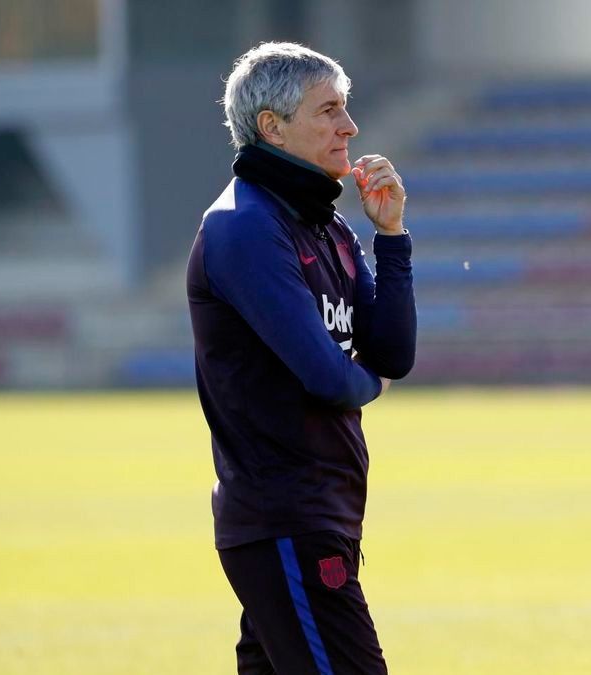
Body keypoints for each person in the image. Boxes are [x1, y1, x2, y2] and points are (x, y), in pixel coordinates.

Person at [186, 42, 416, 674]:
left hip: (320, 515)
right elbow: (326, 376)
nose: (350, 126)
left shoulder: (326, 226)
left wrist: (391, 238)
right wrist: (368, 382)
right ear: (272, 127)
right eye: (329, 110)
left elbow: (394, 353)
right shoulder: (245, 227)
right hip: (287, 521)